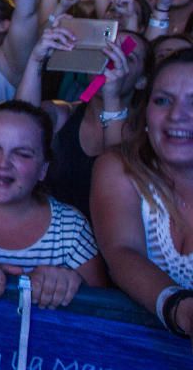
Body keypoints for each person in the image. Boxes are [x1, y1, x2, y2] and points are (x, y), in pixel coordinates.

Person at [0, 101, 107, 308]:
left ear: (43, 169)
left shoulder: (70, 231)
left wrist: (74, 284)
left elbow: (107, 313)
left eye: (22, 154)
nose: (3, 163)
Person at [91, 49, 193, 338]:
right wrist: (180, 309)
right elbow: (122, 252)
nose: (177, 116)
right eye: (163, 100)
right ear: (146, 112)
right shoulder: (117, 168)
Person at [17, 23, 148, 219]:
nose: (112, 61)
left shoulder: (145, 134)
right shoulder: (63, 114)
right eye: (106, 51)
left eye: (127, 57)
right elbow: (19, 128)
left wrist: (112, 97)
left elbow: (118, 184)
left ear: (142, 81)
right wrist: (36, 60)